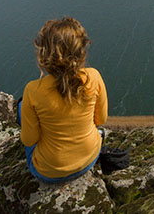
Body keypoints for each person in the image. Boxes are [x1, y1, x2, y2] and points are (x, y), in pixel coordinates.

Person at [20, 17, 108, 183]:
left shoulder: (33, 90)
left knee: (21, 106)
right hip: (90, 158)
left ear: (43, 54)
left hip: (49, 171)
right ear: (82, 51)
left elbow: (29, 140)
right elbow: (101, 119)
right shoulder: (94, 77)